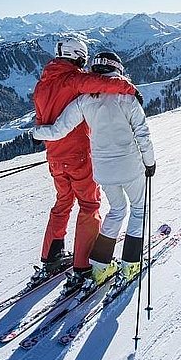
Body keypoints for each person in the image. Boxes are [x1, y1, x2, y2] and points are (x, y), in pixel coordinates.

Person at [32, 50, 155, 290]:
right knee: (139, 210)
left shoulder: (83, 101)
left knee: (116, 211)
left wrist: (37, 133)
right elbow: (143, 134)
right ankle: (130, 264)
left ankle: (99, 267)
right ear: (117, 70)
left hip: (103, 170)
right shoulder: (126, 98)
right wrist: (150, 163)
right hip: (130, 165)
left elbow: (58, 130)